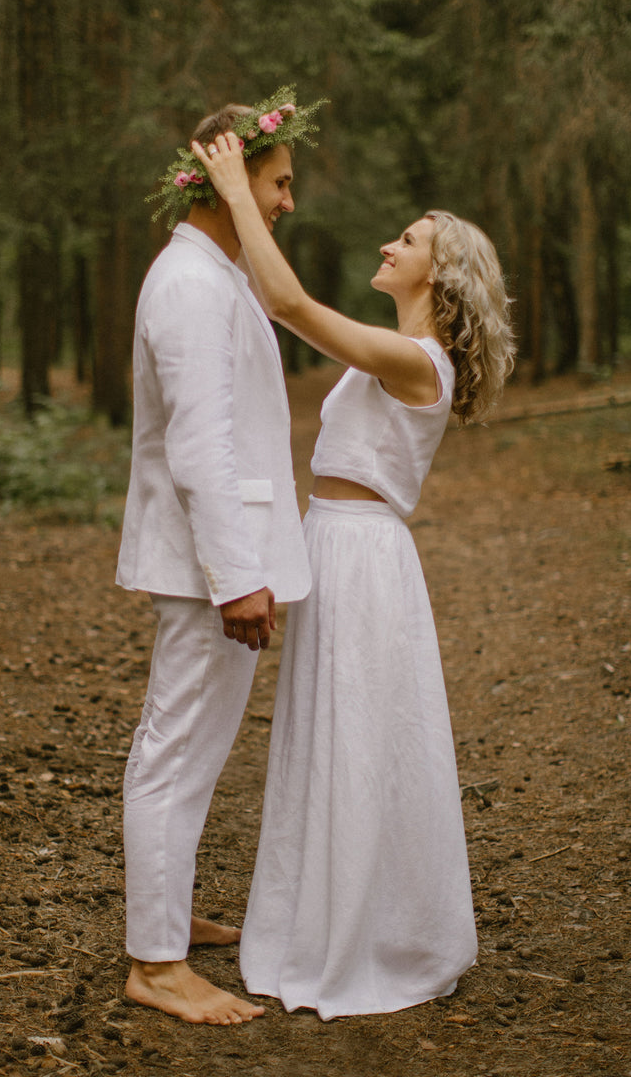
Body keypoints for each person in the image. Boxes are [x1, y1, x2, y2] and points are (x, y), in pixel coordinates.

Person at [191, 130, 516, 1020]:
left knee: (363, 739)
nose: (388, 245)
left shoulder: (419, 362)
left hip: (364, 555)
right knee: (330, 736)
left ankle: (374, 932)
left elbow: (289, 302)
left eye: (406, 241)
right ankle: (321, 918)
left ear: (439, 277)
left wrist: (233, 184)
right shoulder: (400, 352)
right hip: (333, 541)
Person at [116, 89, 325, 1025]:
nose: (286, 200)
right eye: (278, 182)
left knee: (190, 749)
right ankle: (155, 966)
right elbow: (201, 448)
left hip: (218, 562)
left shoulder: (216, 274)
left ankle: (171, 915)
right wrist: (238, 577)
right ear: (225, 180)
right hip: (211, 569)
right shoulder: (193, 285)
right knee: (174, 751)